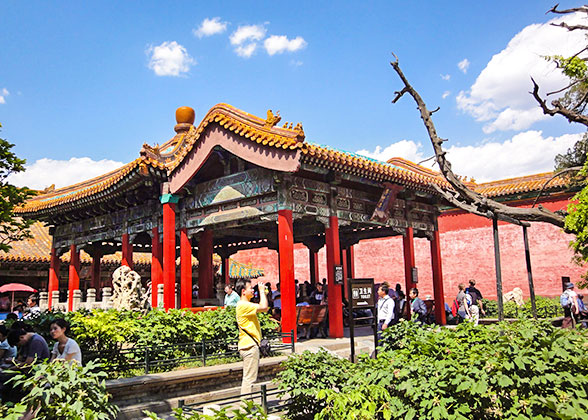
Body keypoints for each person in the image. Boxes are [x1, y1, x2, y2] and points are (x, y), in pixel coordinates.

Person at [236, 280, 268, 395]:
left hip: (248, 344)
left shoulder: (244, 305)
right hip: (249, 346)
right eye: (250, 288)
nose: (252, 290)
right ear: (243, 291)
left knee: (249, 378)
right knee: (249, 379)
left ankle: (247, 405)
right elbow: (264, 307)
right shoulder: (243, 305)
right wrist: (262, 292)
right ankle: (246, 408)